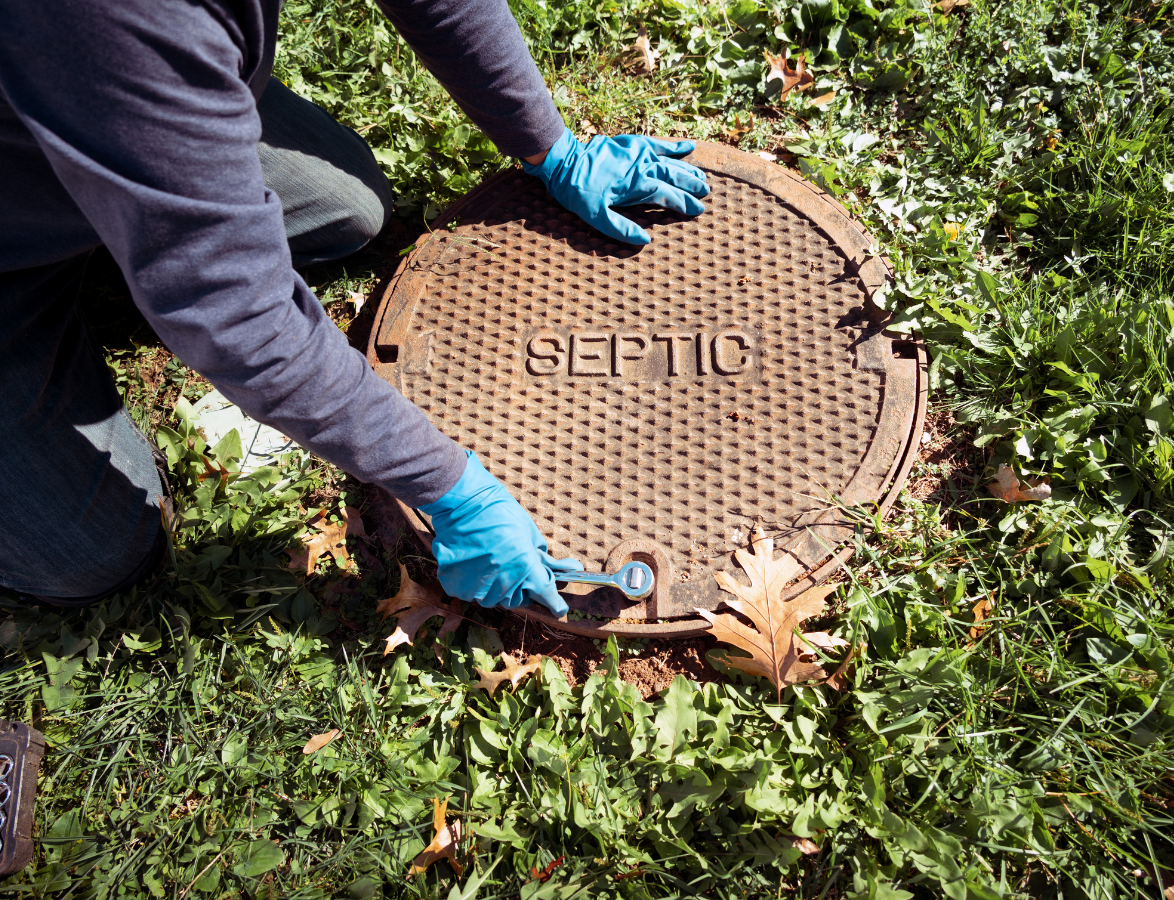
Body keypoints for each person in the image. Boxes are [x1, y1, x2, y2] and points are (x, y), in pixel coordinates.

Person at [0, 0, 710, 617]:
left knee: (350, 211)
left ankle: (155, 168)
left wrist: (549, 146)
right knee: (92, 551)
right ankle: (148, 186)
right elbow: (239, 317)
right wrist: (445, 485)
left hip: (118, 84)